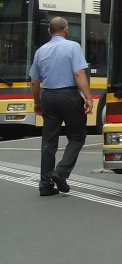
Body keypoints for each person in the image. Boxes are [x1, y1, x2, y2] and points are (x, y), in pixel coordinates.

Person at [28, 16, 92, 196]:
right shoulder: (73, 46)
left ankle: (45, 184)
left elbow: (34, 81)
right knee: (77, 136)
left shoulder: (40, 51)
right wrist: (88, 97)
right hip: (70, 96)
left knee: (48, 142)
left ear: (49, 31)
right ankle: (61, 172)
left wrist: (37, 102)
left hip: (48, 96)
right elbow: (79, 73)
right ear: (66, 30)